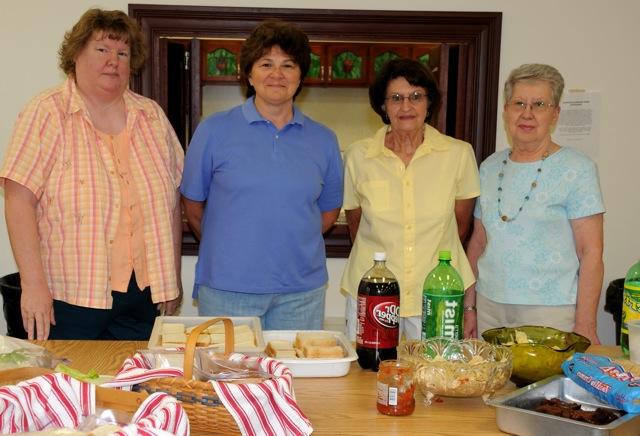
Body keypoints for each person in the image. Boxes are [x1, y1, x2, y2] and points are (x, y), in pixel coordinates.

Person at [0, 9, 184, 340]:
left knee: (132, 387)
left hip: (144, 293)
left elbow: (171, 203)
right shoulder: (46, 112)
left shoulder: (152, 117)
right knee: (71, 385)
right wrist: (33, 285)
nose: (113, 60)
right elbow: (18, 199)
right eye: (102, 50)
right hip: (70, 295)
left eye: (122, 53)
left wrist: (171, 279)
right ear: (76, 54)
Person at [180, 20, 343, 330]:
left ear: (300, 76)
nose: (277, 74)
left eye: (288, 65)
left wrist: (288, 243)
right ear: (249, 74)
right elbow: (193, 205)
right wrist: (230, 245)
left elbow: (328, 211)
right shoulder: (213, 130)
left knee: (297, 378)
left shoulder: (324, 139)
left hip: (301, 294)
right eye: (266, 63)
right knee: (228, 376)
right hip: (228, 291)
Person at [464, 63, 605, 344]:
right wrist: (470, 308)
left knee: (544, 389)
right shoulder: (490, 167)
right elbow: (478, 243)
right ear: (506, 110)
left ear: (555, 114)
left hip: (550, 313)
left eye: (539, 104)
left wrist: (585, 325)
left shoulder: (577, 168)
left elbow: (591, 252)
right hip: (490, 307)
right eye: (519, 103)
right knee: (491, 386)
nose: (527, 113)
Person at [341, 58, 480, 341]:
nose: (406, 106)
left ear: (429, 104)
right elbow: (357, 227)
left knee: (436, 377)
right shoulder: (358, 156)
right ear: (383, 105)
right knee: (368, 376)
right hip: (373, 293)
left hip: (435, 294)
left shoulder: (459, 155)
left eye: (416, 96)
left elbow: (461, 227)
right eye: (396, 98)